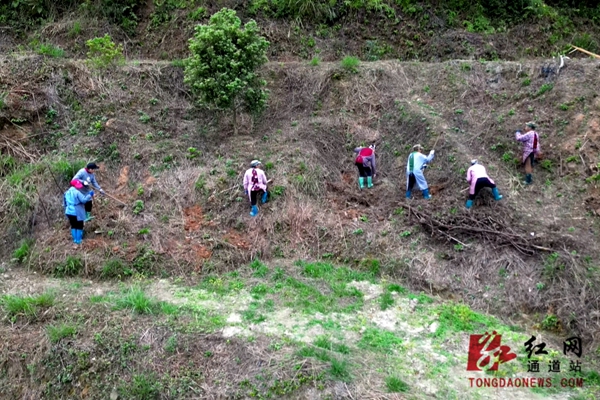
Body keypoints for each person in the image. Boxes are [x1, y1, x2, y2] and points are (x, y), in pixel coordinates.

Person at [63, 179, 94, 245]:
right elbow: (83, 200)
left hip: (68, 211)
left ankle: (75, 240)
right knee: (79, 225)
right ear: (74, 186)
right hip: (77, 211)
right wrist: (90, 195)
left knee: (73, 225)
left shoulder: (66, 193)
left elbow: (64, 203)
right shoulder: (77, 192)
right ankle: (79, 240)